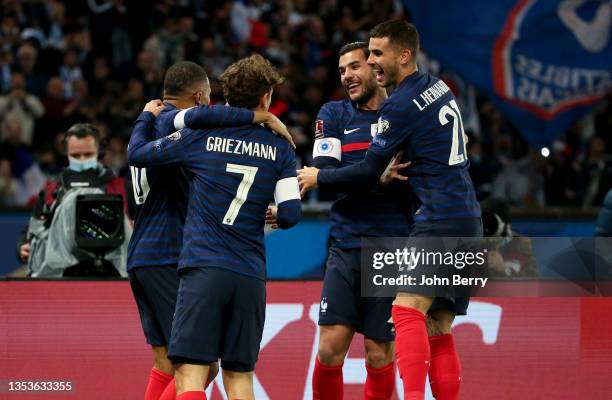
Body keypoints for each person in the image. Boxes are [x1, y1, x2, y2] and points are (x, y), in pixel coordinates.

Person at [298, 20, 482, 400]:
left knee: (405, 316)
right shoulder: (436, 87)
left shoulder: (397, 108)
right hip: (462, 218)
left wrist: (320, 178)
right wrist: (364, 177)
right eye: (345, 67)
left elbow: (364, 169)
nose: (362, 66)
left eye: (371, 58)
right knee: (437, 328)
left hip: (418, 230)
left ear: (402, 56)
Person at [128, 54, 301, 400]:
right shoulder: (282, 148)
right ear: (265, 98)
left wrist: (146, 116)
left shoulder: (199, 137)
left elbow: (139, 154)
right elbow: (291, 214)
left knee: (191, 372)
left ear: (224, 98)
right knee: (239, 378)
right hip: (250, 273)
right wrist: (275, 217)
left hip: (203, 266)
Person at [310, 41, 412, 400]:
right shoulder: (334, 114)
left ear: (375, 69)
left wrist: (365, 177)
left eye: (354, 67)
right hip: (346, 244)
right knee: (329, 349)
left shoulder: (403, 115)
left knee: (379, 353)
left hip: (391, 247)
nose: (347, 76)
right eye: (341, 71)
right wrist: (374, 176)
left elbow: (413, 178)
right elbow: (324, 174)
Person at [16, 122, 132, 277]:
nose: (82, 160)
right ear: (66, 154)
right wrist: (23, 246)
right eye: (76, 156)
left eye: (88, 154)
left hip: (116, 274)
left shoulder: (124, 188)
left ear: (100, 152)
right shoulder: (51, 191)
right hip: (62, 277)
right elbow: (32, 230)